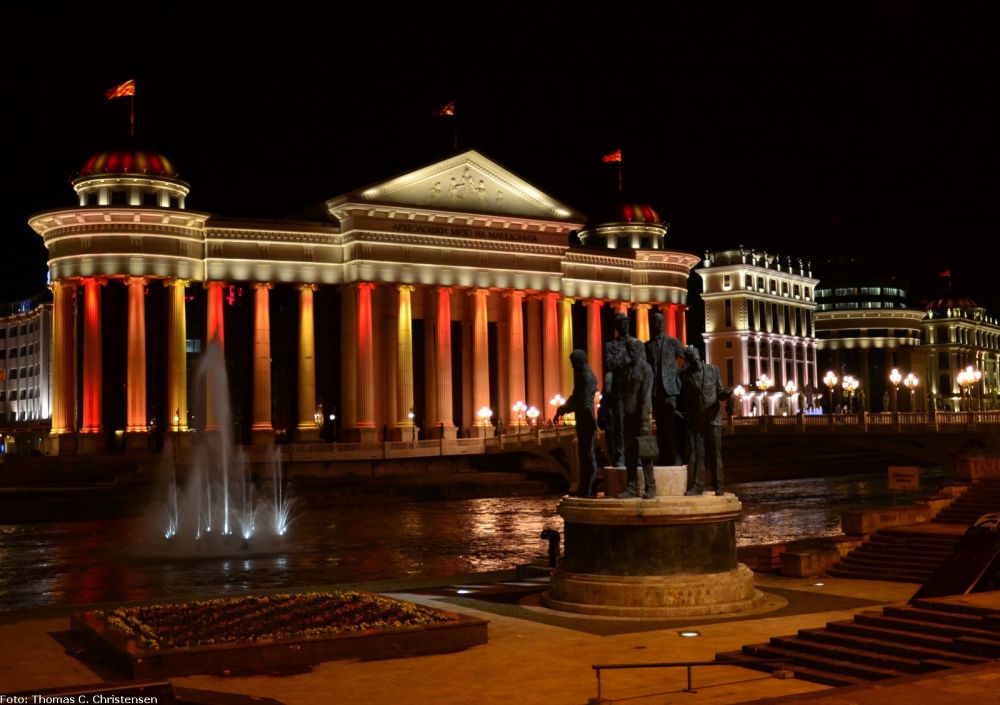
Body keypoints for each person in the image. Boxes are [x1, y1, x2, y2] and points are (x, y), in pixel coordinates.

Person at [679, 346, 729, 496]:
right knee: (699, 453)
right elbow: (686, 399)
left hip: (714, 417)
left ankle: (719, 485)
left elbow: (720, 391)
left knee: (716, 454)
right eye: (690, 357)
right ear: (688, 360)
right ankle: (698, 485)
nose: (694, 359)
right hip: (698, 419)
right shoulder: (685, 375)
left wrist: (726, 394)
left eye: (694, 355)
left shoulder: (713, 370)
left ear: (698, 355)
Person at [616, 338, 657, 499]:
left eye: (634, 350)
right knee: (630, 454)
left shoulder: (646, 369)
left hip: (641, 418)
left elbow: (646, 396)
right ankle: (632, 487)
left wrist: (645, 420)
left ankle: (651, 487)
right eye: (629, 350)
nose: (631, 353)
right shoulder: (627, 370)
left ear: (640, 351)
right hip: (629, 417)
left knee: (646, 454)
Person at [555, 349, 599, 497]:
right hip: (584, 417)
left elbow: (582, 401)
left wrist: (563, 409)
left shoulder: (585, 376)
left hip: (586, 418)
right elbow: (577, 398)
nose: (572, 366)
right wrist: (562, 410)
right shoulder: (583, 374)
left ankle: (588, 488)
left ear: (579, 362)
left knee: (587, 455)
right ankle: (586, 487)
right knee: (585, 454)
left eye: (573, 363)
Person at [644, 311, 686, 465]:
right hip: (656, 392)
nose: (658, 324)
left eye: (660, 322)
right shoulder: (647, 346)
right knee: (660, 426)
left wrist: (678, 376)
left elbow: (687, 358)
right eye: (655, 322)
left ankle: (674, 456)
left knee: (671, 425)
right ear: (652, 324)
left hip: (670, 390)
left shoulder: (672, 342)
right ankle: (663, 457)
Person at [602, 312, 631, 467]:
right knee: (619, 423)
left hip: (634, 387)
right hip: (619, 388)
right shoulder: (610, 345)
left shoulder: (636, 343)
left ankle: (634, 453)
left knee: (635, 423)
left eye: (627, 323)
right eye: (622, 323)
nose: (626, 326)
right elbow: (610, 365)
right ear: (617, 327)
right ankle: (620, 454)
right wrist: (625, 355)